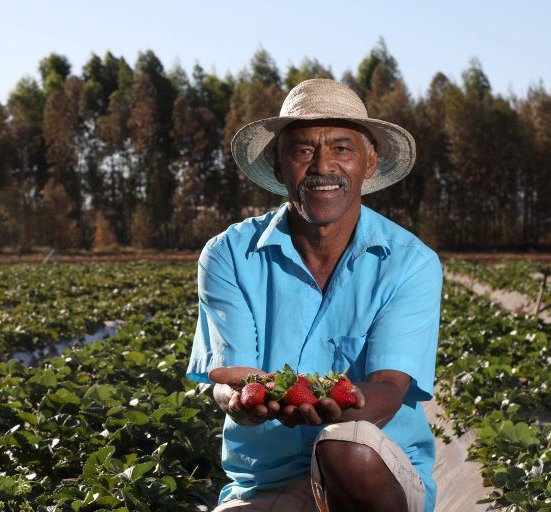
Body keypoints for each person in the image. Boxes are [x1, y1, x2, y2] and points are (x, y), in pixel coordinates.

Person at [187, 78, 442, 512]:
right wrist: (242, 402)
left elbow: (389, 388)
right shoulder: (229, 255)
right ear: (279, 162)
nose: (323, 165)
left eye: (342, 148)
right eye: (303, 150)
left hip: (377, 477)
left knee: (344, 446)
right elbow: (231, 379)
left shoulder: (409, 263)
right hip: (265, 481)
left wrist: (335, 403)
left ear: (370, 160)